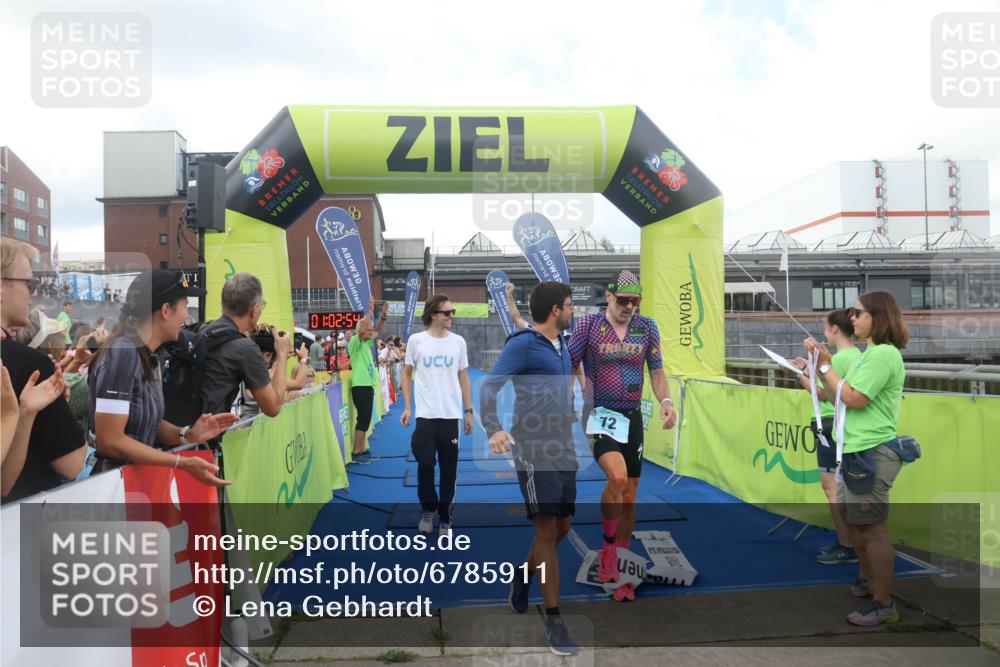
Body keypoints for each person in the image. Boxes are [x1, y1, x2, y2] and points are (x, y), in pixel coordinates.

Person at [480, 281, 578, 656]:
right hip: (533, 445)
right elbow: (490, 387)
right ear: (556, 310)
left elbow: (526, 320)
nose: (574, 311)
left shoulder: (562, 342)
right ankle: (554, 621)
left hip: (564, 444)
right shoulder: (522, 344)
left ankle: (522, 578)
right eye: (570, 306)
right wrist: (494, 428)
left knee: (562, 526)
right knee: (547, 527)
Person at [567, 269, 676, 600]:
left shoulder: (647, 327)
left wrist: (667, 401)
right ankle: (609, 552)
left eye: (635, 301)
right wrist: (573, 393)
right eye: (624, 300)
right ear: (610, 296)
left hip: (632, 415)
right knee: (616, 479)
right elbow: (569, 362)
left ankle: (623, 558)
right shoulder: (588, 325)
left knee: (629, 494)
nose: (629, 306)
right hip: (599, 412)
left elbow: (656, 372)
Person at [802, 291, 908, 627]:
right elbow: (836, 394)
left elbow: (854, 398)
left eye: (858, 313)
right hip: (856, 450)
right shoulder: (870, 354)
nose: (853, 319)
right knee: (860, 526)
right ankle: (868, 581)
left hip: (870, 451)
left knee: (871, 529)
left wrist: (825, 365)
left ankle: (884, 602)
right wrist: (820, 368)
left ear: (877, 316)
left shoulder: (882, 356)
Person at [88, 270, 238, 486]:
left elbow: (145, 423)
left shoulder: (148, 354)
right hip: (114, 489)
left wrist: (187, 434)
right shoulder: (123, 352)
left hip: (133, 485)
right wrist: (180, 462)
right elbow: (110, 440)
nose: (186, 317)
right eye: (185, 307)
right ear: (166, 310)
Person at [1, 238, 86, 502]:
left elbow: (2, 485)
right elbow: (72, 464)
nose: (33, 293)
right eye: (29, 283)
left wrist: (26, 413)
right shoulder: (32, 365)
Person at [792, 309, 861, 565]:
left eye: (825, 326)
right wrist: (809, 369)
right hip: (839, 425)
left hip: (831, 423)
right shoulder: (854, 356)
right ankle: (848, 541)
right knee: (837, 487)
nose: (823, 332)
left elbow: (821, 393)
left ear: (835, 329)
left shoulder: (840, 359)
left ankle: (847, 544)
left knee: (831, 487)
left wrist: (798, 375)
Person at [400, 294, 473, 536]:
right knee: (426, 465)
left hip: (451, 417)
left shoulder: (458, 342)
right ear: (434, 315)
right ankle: (428, 510)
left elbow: (463, 376)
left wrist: (469, 411)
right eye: (448, 312)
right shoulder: (416, 341)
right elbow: (406, 373)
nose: (452, 316)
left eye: (452, 312)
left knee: (449, 471)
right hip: (425, 417)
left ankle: (445, 518)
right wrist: (408, 406)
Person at [199, 273, 291, 420]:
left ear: (222, 303)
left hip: (180, 433)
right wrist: (282, 353)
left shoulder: (202, 329)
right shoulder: (244, 348)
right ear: (254, 310)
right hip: (204, 439)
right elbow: (273, 407)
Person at [347, 298, 389, 464]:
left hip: (366, 385)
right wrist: (370, 311)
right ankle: (357, 451)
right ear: (361, 331)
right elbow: (364, 327)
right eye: (368, 329)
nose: (371, 331)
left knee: (365, 418)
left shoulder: (366, 342)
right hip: (360, 385)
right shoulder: (356, 342)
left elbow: (377, 331)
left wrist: (384, 317)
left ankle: (362, 449)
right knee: (362, 419)